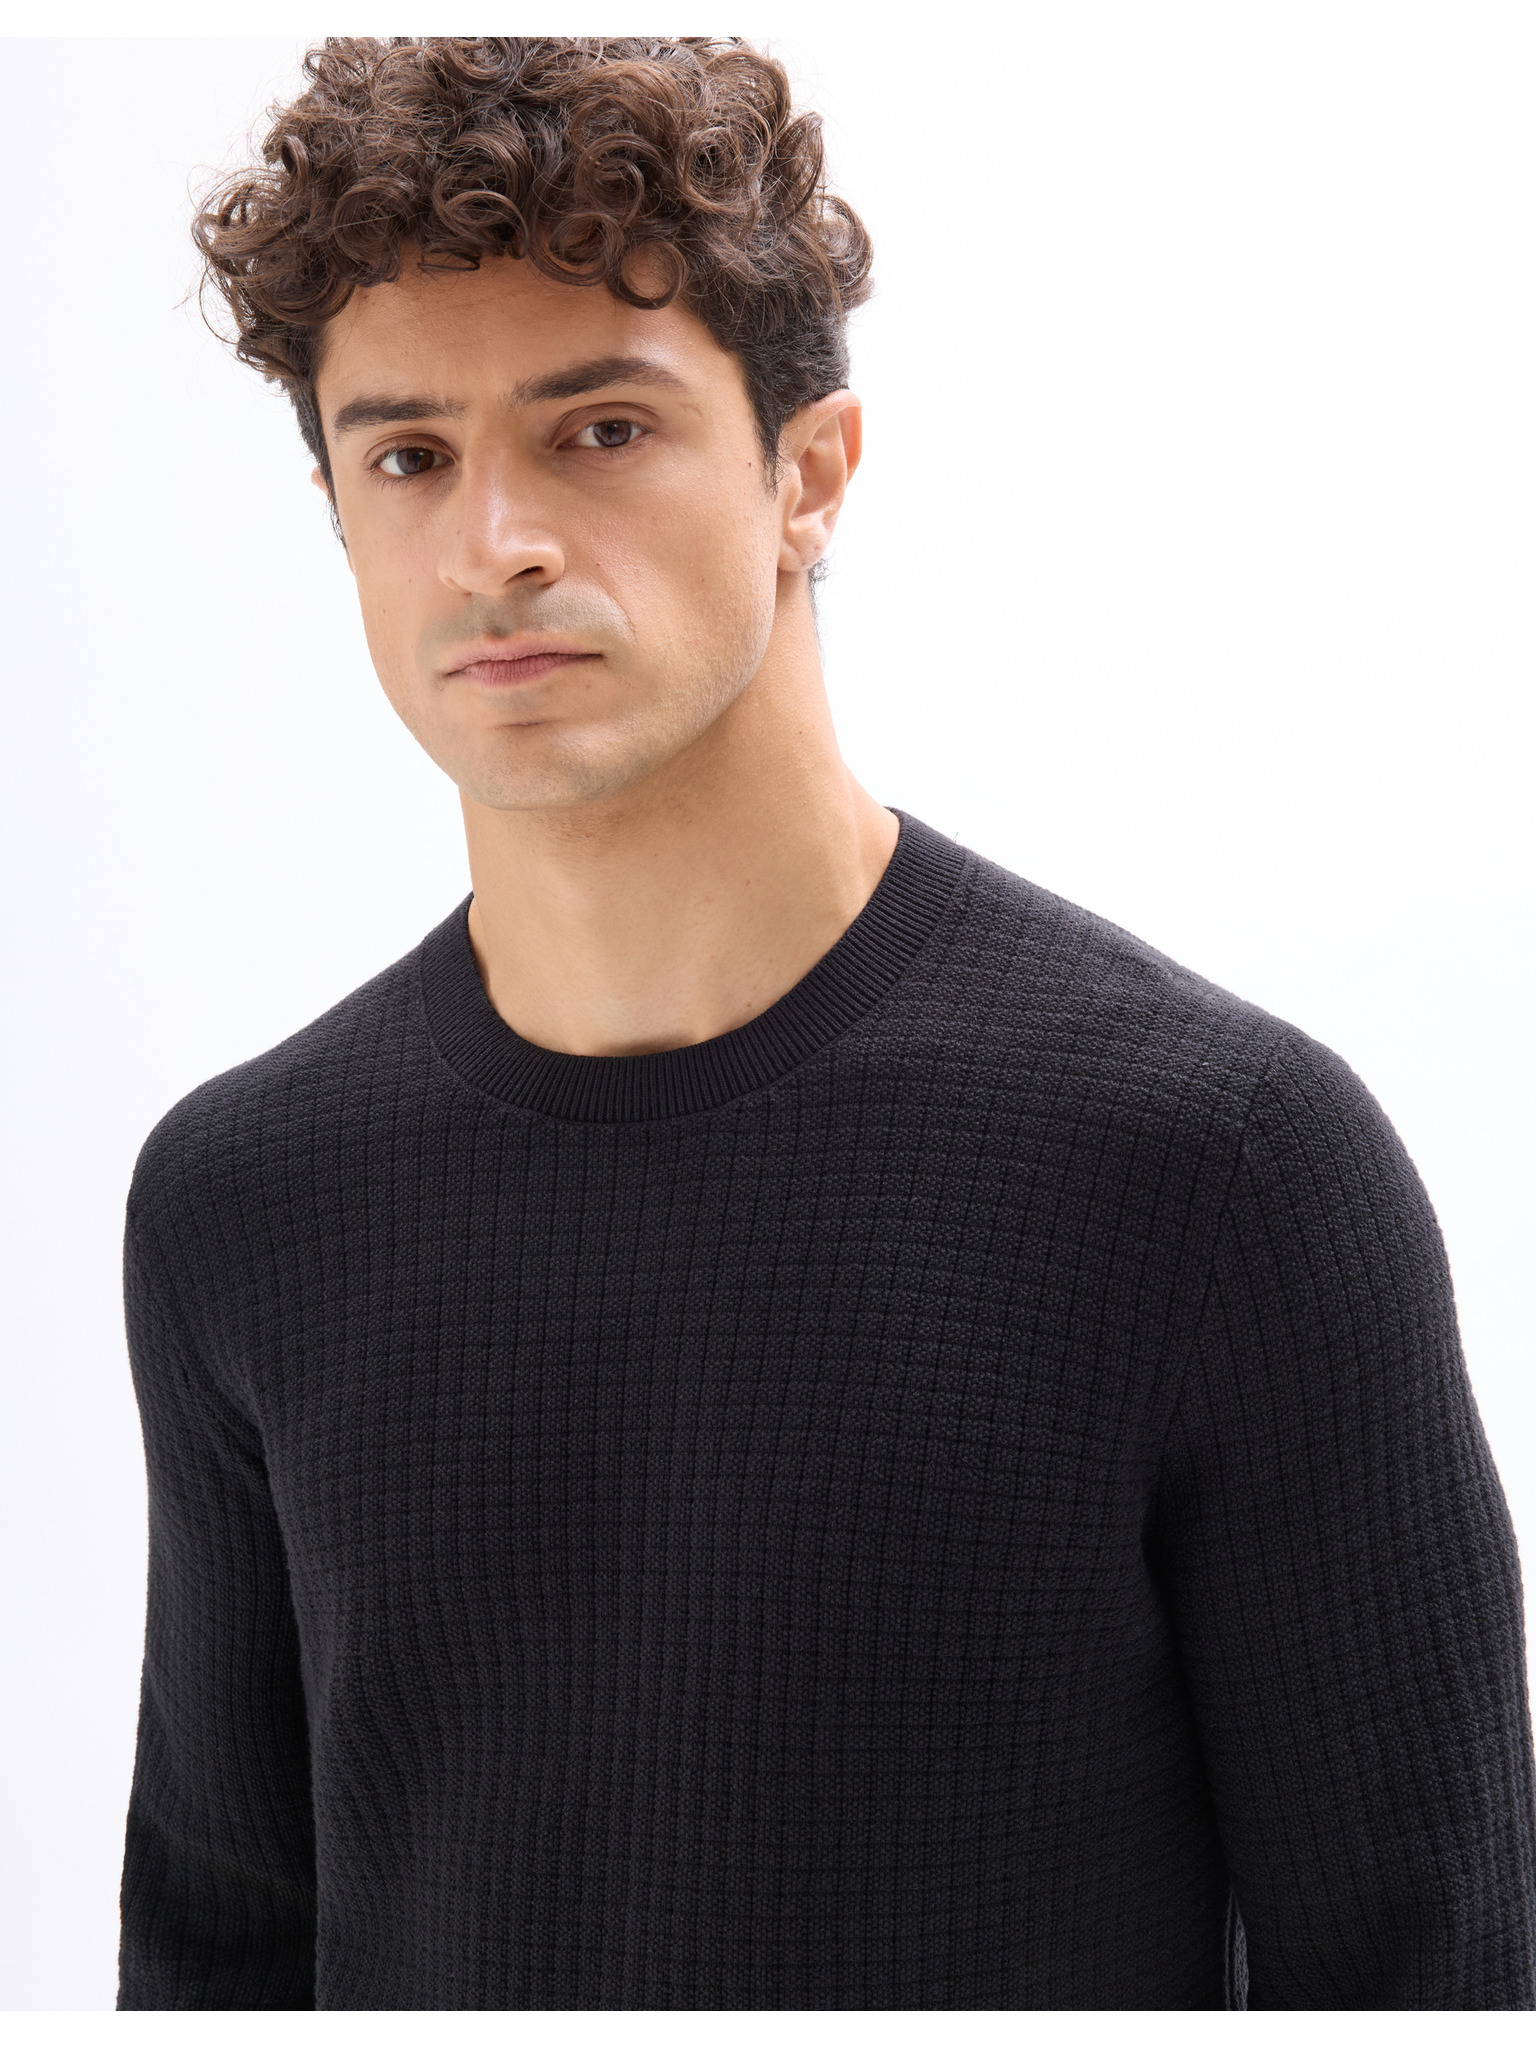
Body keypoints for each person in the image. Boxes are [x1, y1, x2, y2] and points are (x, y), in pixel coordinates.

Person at [115, 35, 1536, 2012]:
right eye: (409, 456)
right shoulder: (244, 1200)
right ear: (342, 513)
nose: (495, 539)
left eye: (601, 428)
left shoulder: (1216, 1169)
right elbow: (215, 1957)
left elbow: (1436, 1979)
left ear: (810, 473)